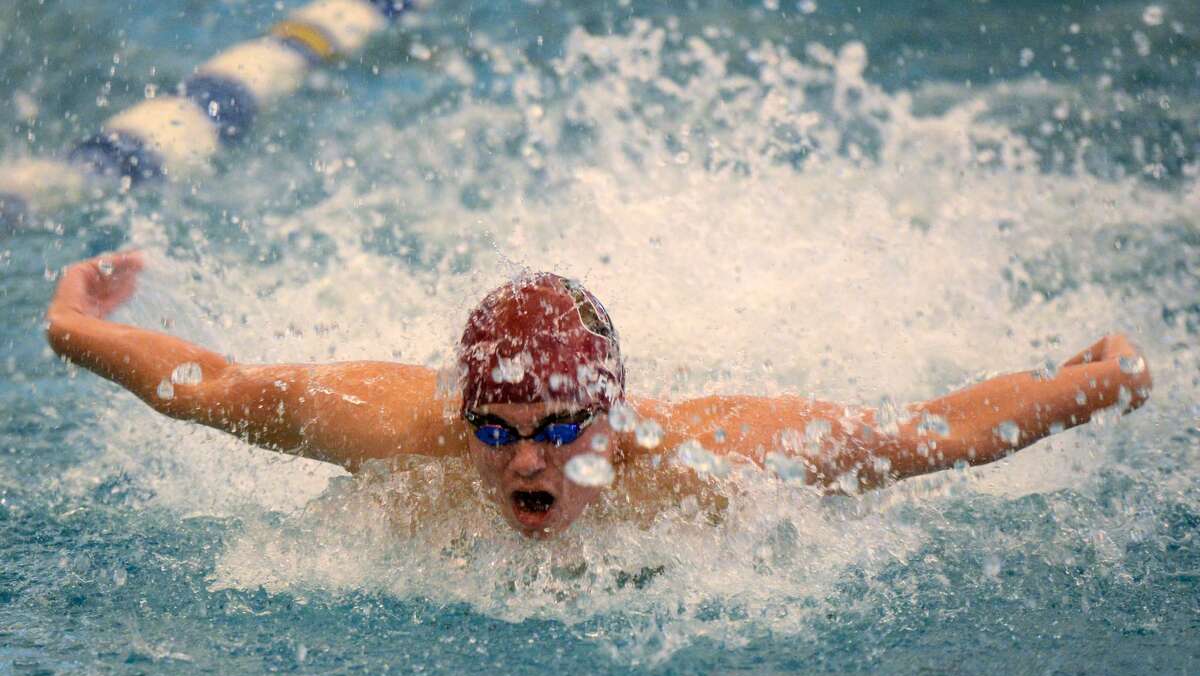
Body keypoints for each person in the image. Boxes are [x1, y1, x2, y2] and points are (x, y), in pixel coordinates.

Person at [46, 250, 1153, 539]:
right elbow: (208, 387)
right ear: (462, 412)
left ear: (616, 421)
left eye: (561, 431)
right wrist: (74, 321)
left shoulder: (719, 457)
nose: (528, 462)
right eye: (499, 432)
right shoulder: (392, 427)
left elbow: (941, 433)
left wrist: (1102, 378)